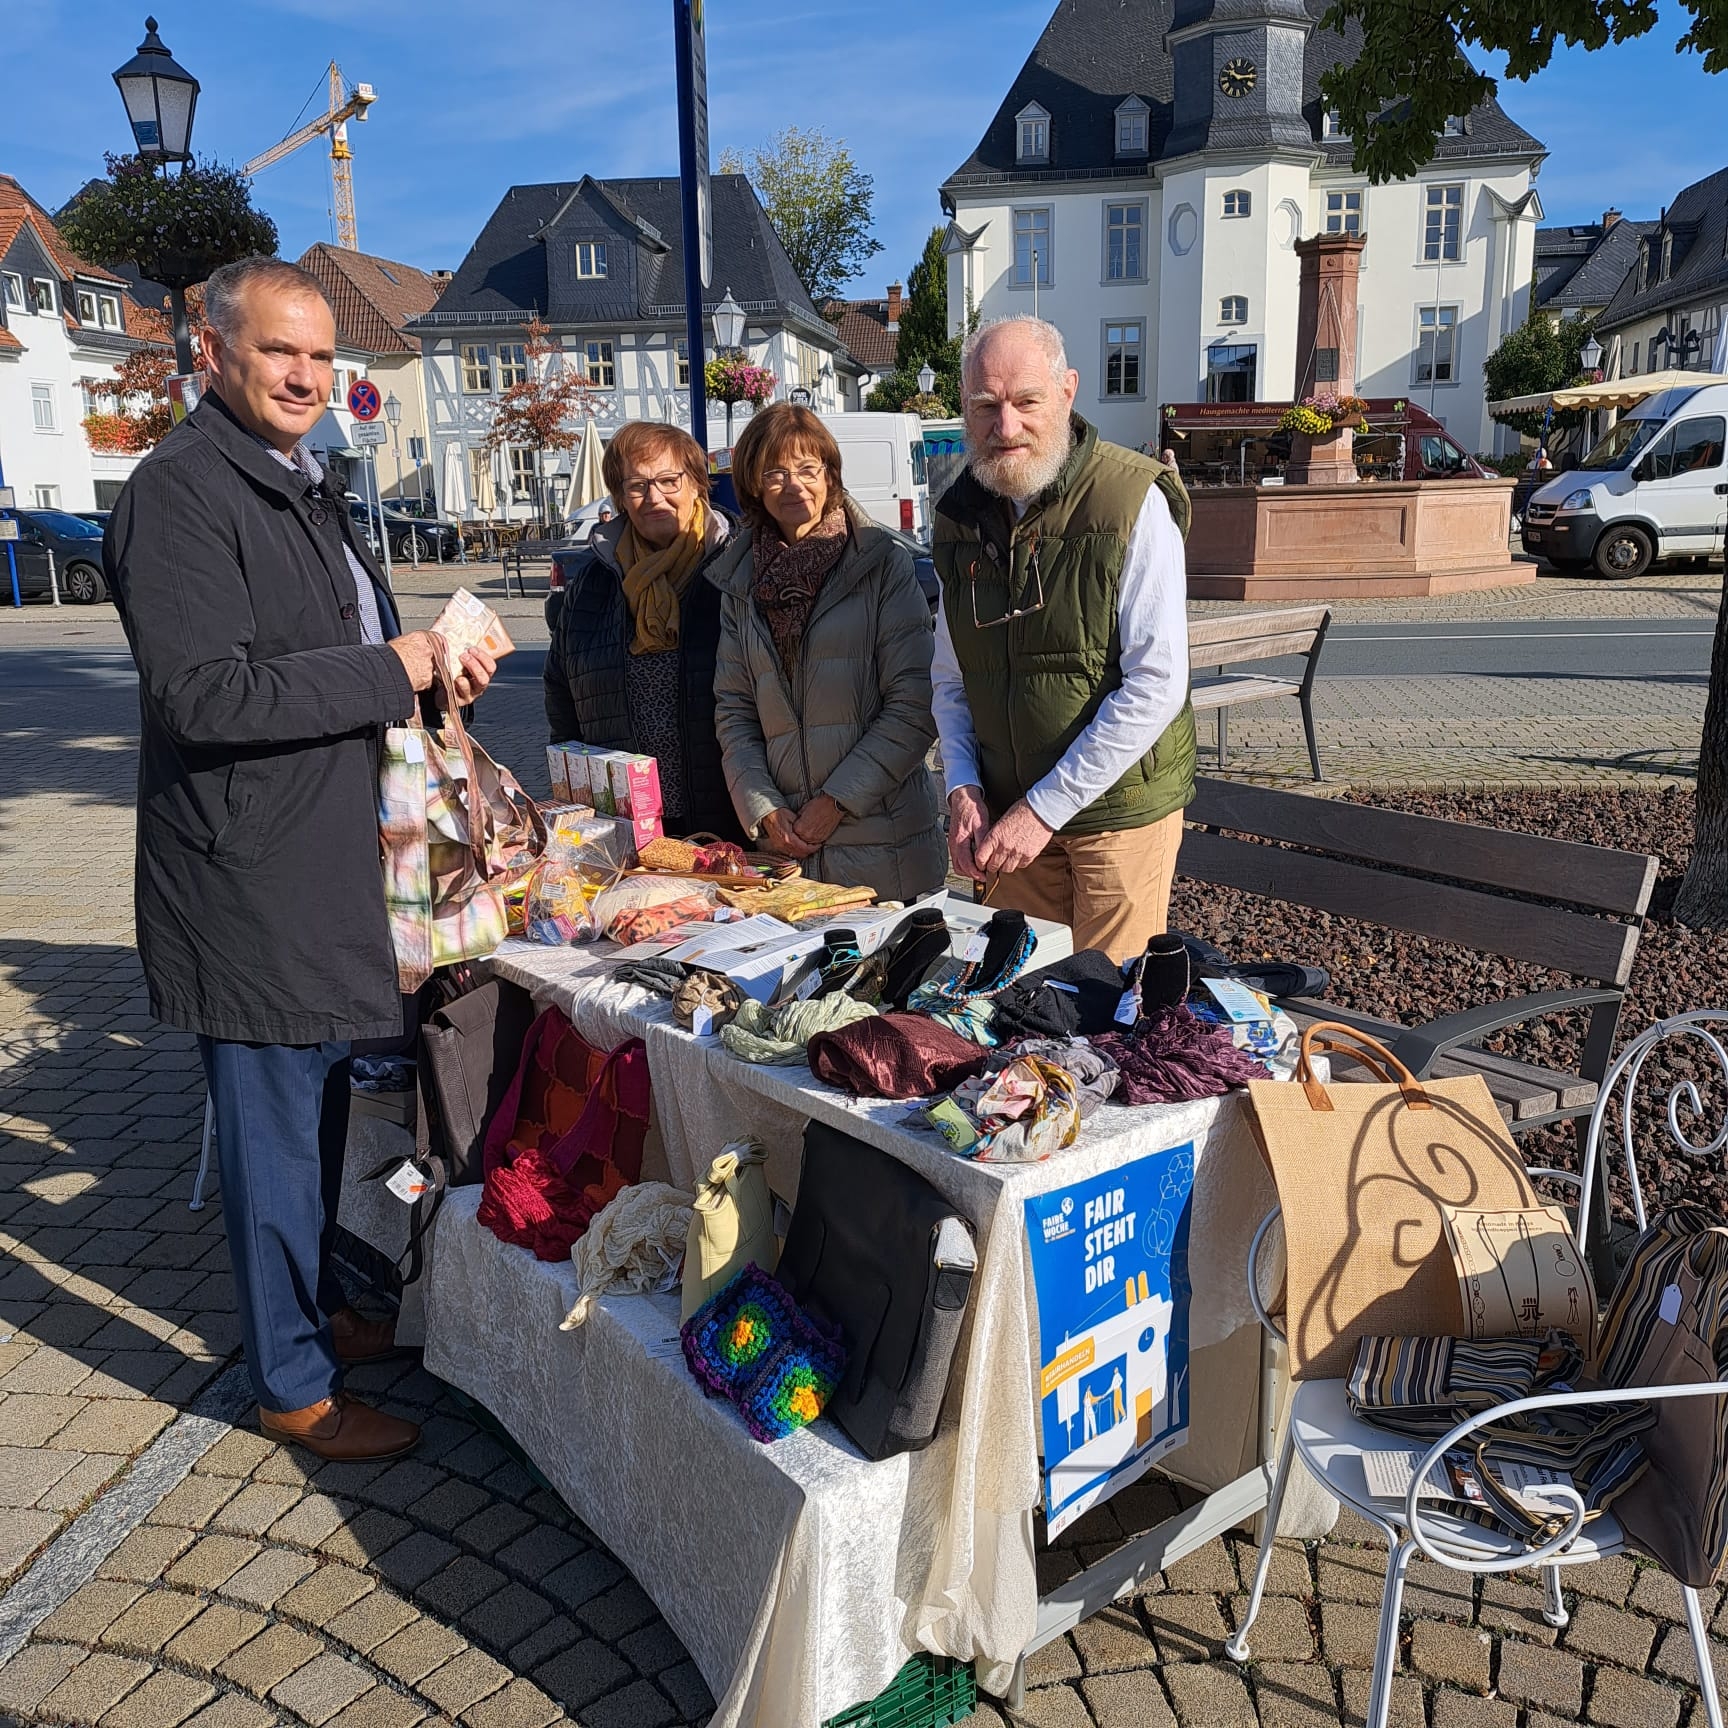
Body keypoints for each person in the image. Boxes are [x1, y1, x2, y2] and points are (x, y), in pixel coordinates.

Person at [105, 256, 496, 1461]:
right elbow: (204, 694)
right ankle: (290, 1384)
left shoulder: (294, 480)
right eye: (282, 352)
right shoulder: (180, 490)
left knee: (320, 1117)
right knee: (276, 1145)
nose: (307, 377)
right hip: (248, 876)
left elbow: (340, 647)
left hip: (323, 861)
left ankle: (315, 1317)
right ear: (212, 354)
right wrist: (401, 667)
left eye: (323, 357)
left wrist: (434, 673)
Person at [931, 316, 1196, 963]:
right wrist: (962, 786)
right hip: (1007, 815)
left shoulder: (1130, 499)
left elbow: (1157, 680)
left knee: (1109, 1011)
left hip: (1117, 814)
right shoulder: (959, 514)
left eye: (1027, 402)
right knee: (1022, 997)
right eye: (985, 406)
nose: (1006, 426)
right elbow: (951, 676)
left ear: (1068, 392)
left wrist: (1043, 809)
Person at [710, 403, 944, 899]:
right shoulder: (739, 582)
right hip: (786, 852)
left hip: (885, 847)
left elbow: (915, 704)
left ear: (830, 475)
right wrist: (763, 808)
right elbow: (734, 711)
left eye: (808, 469)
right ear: (753, 484)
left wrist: (836, 802)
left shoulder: (882, 566)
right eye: (775, 472)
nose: (794, 485)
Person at [544, 423, 742, 839]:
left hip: (730, 817)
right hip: (625, 825)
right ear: (619, 498)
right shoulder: (592, 584)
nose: (654, 497)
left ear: (696, 484)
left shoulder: (737, 570)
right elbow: (561, 688)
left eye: (669, 480)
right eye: (636, 486)